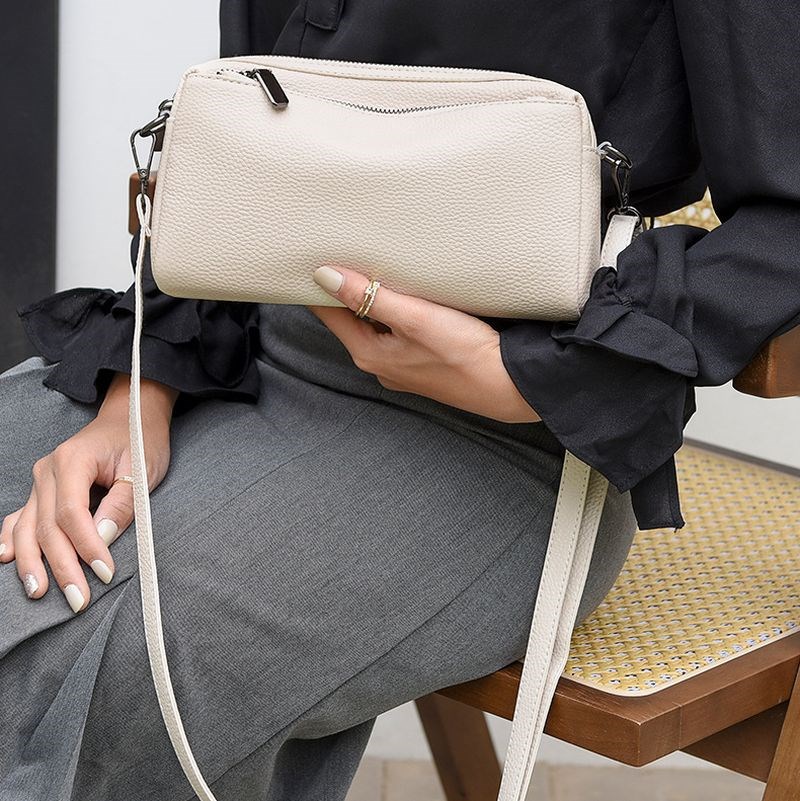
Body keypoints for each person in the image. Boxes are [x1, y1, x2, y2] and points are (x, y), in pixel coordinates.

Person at [1, 1, 798, 798]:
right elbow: (243, 127)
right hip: (243, 344)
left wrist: (532, 376)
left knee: (129, 663)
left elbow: (786, 218)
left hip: (505, 435)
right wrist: (140, 385)